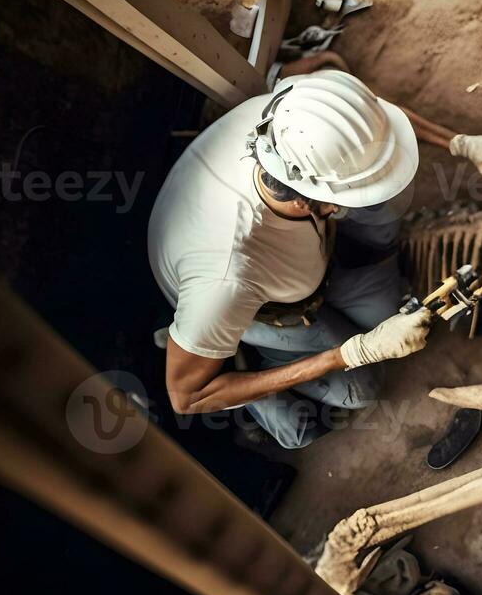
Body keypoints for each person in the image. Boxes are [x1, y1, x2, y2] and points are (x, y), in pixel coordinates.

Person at [149, 69, 439, 449]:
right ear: (305, 200)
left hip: (299, 260)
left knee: (384, 309)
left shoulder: (294, 118)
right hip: (254, 305)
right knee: (361, 386)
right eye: (350, 195)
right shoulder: (226, 277)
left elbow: (374, 129)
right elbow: (186, 396)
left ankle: (213, 335)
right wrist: (347, 354)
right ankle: (241, 356)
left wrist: (461, 143)